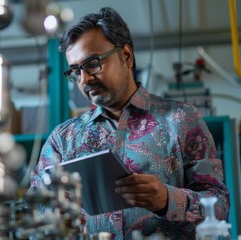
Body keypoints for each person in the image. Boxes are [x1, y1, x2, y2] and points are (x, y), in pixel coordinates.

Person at [29, 7, 230, 239]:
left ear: (126, 55)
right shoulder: (62, 140)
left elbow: (220, 205)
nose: (84, 79)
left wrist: (167, 200)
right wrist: (54, 209)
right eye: (75, 71)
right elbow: (36, 209)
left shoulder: (182, 120)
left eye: (92, 63)